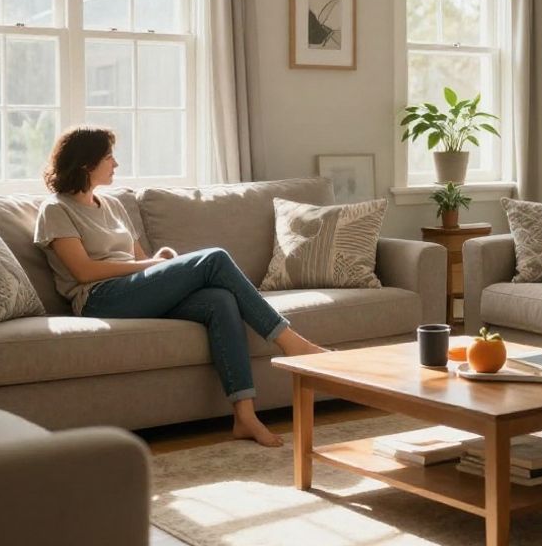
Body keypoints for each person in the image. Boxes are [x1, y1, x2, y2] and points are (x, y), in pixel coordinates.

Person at [33, 126, 325, 448]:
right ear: (86, 164)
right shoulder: (56, 209)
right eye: (108, 157)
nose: (115, 164)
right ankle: (289, 341)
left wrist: (160, 260)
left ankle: (244, 416)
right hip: (99, 299)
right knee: (214, 258)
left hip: (136, 290)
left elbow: (140, 258)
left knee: (220, 300)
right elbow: (84, 271)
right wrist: (153, 267)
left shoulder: (112, 205)